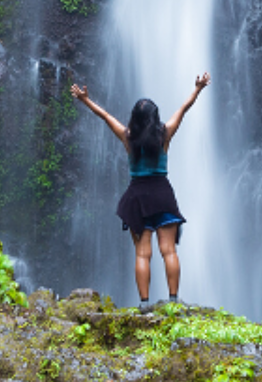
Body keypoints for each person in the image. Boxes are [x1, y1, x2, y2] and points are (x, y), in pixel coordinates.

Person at [69, 72, 210, 312]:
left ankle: (144, 305)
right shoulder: (165, 133)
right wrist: (198, 89)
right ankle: (174, 301)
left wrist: (84, 100)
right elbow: (183, 109)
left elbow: (105, 116)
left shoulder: (128, 137)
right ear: (155, 118)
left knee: (143, 254)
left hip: (137, 198)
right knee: (169, 251)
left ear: (134, 118)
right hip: (162, 195)